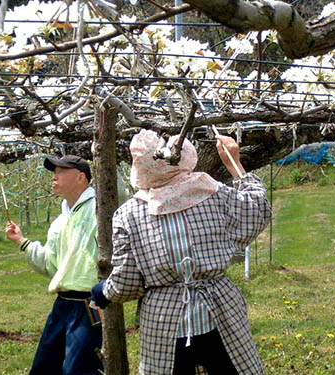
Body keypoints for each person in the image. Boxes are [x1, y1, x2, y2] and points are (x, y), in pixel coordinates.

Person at [91, 129, 272, 375]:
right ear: (184, 157)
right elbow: (257, 211)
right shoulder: (211, 193)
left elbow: (127, 283)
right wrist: (234, 163)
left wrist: (104, 291)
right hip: (220, 309)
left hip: (163, 321)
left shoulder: (128, 214)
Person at [6, 155, 103, 375]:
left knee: (80, 369)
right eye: (54, 171)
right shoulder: (60, 221)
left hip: (90, 303)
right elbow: (52, 265)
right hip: (63, 304)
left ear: (80, 177)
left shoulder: (100, 208)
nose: (54, 176)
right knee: (44, 367)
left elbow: (120, 194)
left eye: (61, 171)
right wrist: (22, 242)